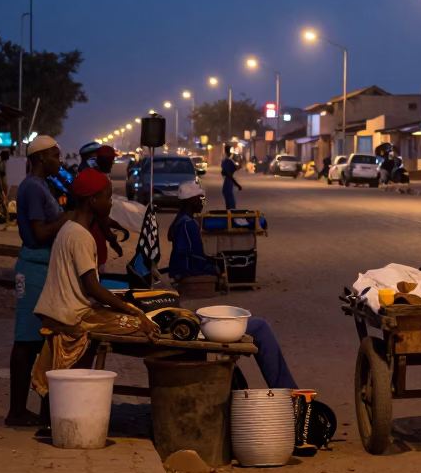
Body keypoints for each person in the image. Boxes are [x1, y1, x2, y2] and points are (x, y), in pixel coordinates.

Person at [30, 169, 160, 400]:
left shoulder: (69, 229)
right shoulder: (81, 236)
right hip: (70, 316)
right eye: (108, 198)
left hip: (60, 310)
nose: (110, 204)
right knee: (139, 323)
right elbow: (92, 287)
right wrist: (130, 309)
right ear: (92, 200)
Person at [167, 182, 298, 388]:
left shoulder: (180, 222)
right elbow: (188, 259)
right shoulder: (187, 225)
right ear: (190, 201)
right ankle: (287, 390)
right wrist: (214, 268)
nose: (202, 203)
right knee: (260, 326)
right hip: (194, 297)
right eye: (199, 199)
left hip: (189, 297)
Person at [5, 135, 71, 427]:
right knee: (27, 340)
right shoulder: (33, 187)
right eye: (56, 156)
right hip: (33, 268)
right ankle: (16, 411)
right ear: (42, 157)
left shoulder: (42, 186)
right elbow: (41, 233)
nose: (60, 161)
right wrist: (68, 218)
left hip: (43, 268)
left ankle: (29, 408)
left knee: (37, 339)